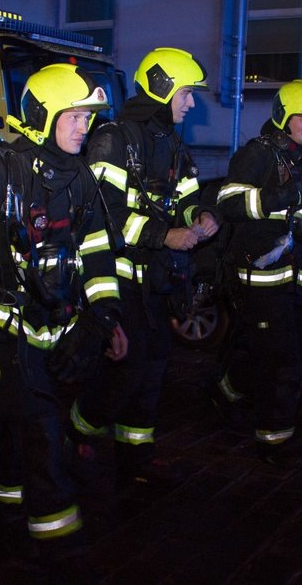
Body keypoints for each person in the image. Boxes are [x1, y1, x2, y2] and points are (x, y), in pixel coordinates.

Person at [0, 63, 127, 567]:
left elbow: (98, 253)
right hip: (0, 332)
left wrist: (107, 316)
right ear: (42, 115)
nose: (84, 126)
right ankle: (62, 550)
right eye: (74, 115)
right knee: (41, 434)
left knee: (18, 430)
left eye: (88, 116)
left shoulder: (81, 179)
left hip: (52, 330)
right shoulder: (0, 174)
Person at [68, 47, 218, 487]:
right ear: (162, 88)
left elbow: (189, 194)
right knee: (126, 367)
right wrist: (162, 235)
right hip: (115, 278)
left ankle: (136, 458)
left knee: (153, 368)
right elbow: (99, 211)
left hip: (154, 280)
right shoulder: (113, 139)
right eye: (187, 93)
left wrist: (200, 217)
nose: (191, 104)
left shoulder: (170, 142)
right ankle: (78, 428)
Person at [207, 79, 302, 466]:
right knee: (281, 362)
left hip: (294, 275)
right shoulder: (257, 155)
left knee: (278, 352)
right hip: (258, 278)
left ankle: (226, 386)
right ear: (283, 117)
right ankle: (273, 441)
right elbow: (228, 201)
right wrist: (280, 198)